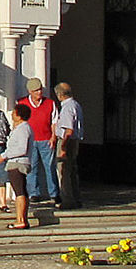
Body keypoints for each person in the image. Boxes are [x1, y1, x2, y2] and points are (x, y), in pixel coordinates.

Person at [22, 79, 59, 203]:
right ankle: (33, 193)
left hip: (46, 139)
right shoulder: (22, 103)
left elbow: (54, 121)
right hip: (31, 140)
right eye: (36, 90)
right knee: (32, 167)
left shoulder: (50, 103)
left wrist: (53, 136)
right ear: (30, 91)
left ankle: (54, 193)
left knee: (50, 167)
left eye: (40, 90)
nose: (39, 92)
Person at [0, 102, 36, 229]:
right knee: (21, 191)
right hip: (18, 162)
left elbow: (21, 149)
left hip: (17, 163)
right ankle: (22, 218)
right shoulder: (21, 128)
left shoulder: (23, 129)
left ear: (19, 115)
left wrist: (4, 155)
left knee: (19, 192)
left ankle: (20, 219)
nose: (12, 115)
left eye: (14, 113)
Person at [53, 81, 85, 209]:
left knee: (64, 171)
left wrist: (63, 147)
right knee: (72, 171)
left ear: (60, 95)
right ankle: (76, 198)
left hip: (67, 141)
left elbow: (68, 130)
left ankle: (67, 200)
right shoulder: (76, 104)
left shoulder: (67, 107)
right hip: (74, 141)